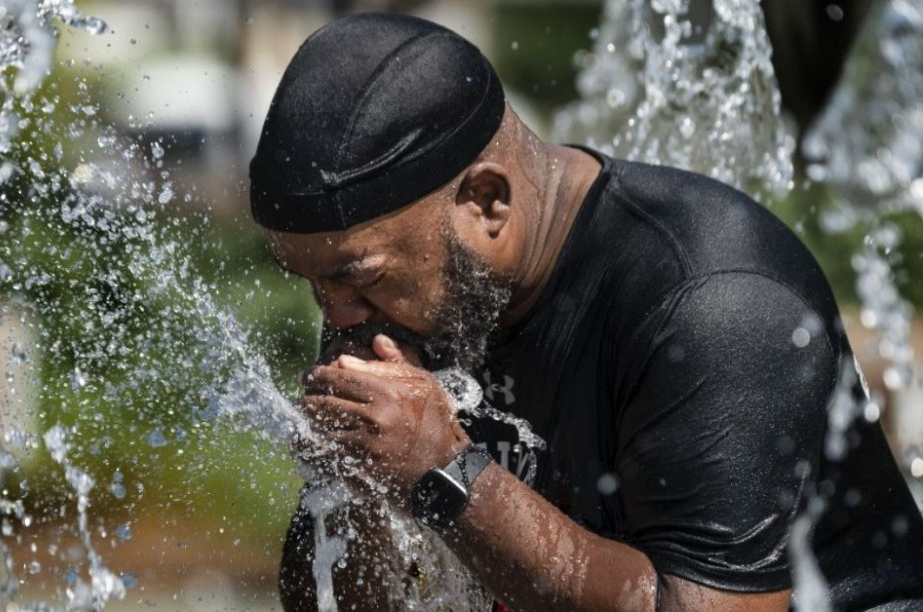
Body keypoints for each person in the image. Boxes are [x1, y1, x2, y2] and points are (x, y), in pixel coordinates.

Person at [248, 12, 923, 611]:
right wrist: (360, 488)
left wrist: (445, 473)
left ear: (487, 203)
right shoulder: (408, 294)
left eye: (354, 278)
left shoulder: (711, 300)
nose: (338, 316)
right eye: (309, 281)